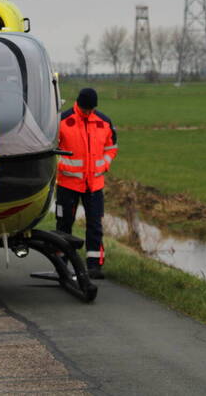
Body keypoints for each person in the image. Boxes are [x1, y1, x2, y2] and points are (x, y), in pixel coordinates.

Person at [56, 87, 118, 280]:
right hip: (68, 184)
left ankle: (94, 266)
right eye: (85, 109)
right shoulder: (62, 121)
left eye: (91, 109)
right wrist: (63, 166)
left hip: (95, 185)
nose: (88, 113)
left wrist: (104, 164)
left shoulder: (104, 122)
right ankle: (61, 264)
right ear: (78, 104)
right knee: (64, 225)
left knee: (95, 225)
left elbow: (111, 147)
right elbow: (51, 149)